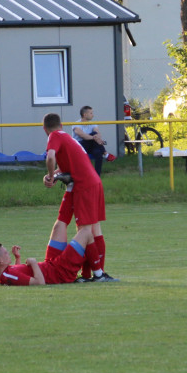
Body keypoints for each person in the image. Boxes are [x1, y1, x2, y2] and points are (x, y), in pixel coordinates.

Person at [41, 112, 117, 282]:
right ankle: (90, 274)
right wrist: (53, 174)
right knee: (91, 228)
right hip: (90, 182)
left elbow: (50, 156)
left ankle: (96, 274)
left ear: (44, 129)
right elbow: (69, 166)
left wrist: (51, 176)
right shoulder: (66, 137)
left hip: (84, 185)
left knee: (85, 231)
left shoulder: (54, 136)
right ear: (61, 126)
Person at [0, 227, 96, 286]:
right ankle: (98, 274)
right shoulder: (8, 275)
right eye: (5, 252)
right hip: (61, 272)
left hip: (52, 264)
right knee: (86, 232)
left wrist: (17, 258)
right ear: (0, 260)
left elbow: (16, 275)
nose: (8, 253)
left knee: (59, 226)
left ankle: (86, 275)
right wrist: (33, 263)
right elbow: (39, 283)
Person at [72, 105, 113, 176]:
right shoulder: (76, 124)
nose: (93, 115)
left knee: (98, 154)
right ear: (85, 114)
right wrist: (95, 138)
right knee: (93, 134)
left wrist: (96, 137)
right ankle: (106, 153)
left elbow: (98, 134)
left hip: (91, 146)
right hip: (80, 146)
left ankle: (97, 176)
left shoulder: (92, 123)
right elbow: (82, 136)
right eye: (91, 113)